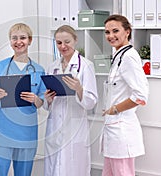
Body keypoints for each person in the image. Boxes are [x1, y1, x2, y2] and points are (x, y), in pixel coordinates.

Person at [0, 23, 46, 176]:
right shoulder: (0, 66)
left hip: (26, 132)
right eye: (14, 38)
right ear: (10, 41)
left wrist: (35, 99)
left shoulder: (39, 70)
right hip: (2, 132)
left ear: (30, 40)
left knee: (24, 173)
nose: (18, 42)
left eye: (23, 38)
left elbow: (41, 102)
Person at [43, 25, 98, 176]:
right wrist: (47, 100)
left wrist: (79, 89)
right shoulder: (52, 67)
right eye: (59, 43)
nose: (63, 46)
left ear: (75, 40)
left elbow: (91, 101)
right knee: (54, 167)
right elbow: (46, 105)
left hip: (75, 127)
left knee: (73, 167)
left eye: (67, 41)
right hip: (55, 126)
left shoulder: (86, 66)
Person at [101, 14, 149, 176]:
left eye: (115, 31)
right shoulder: (119, 56)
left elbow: (141, 95)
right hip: (113, 129)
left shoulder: (129, 57)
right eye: (107, 32)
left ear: (127, 32)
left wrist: (115, 109)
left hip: (121, 130)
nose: (111, 36)